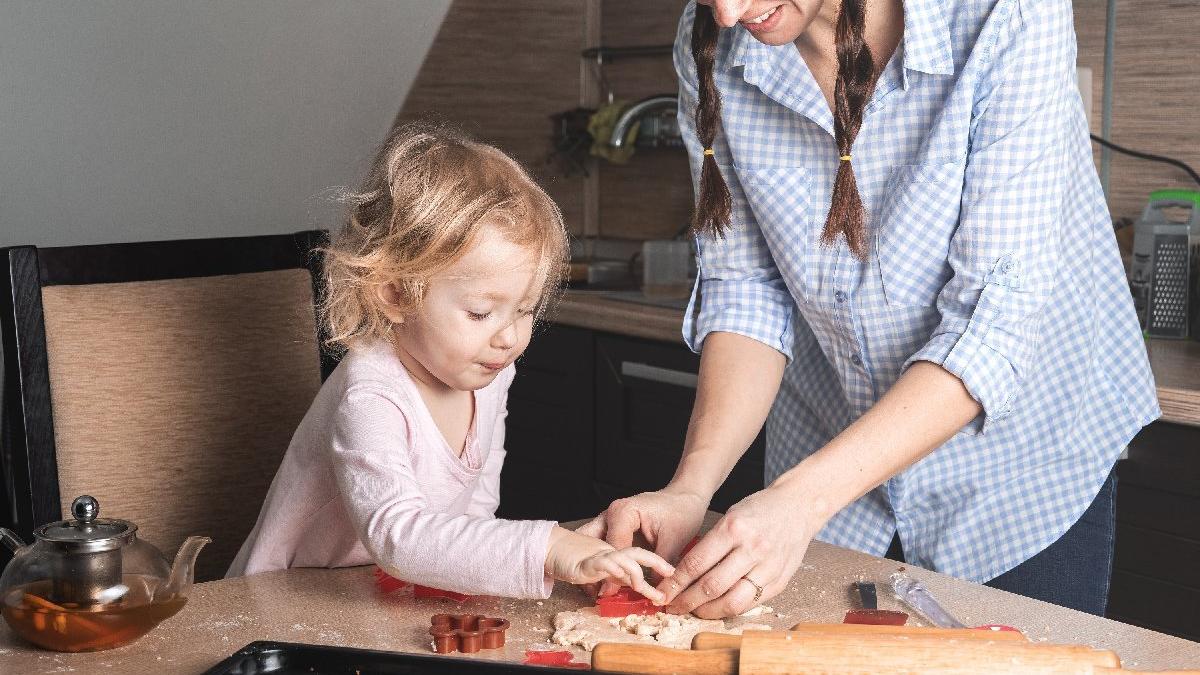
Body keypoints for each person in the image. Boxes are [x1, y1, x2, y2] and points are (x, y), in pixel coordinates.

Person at [580, 0, 1158, 618]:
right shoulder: (712, 41)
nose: (726, 13)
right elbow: (746, 290)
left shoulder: (1006, 12)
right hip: (828, 476)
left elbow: (989, 326)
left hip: (1017, 481)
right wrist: (691, 490)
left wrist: (797, 503)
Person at [227, 124, 674, 602]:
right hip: (287, 603)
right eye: (481, 313)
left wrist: (503, 572)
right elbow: (398, 536)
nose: (509, 338)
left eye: (524, 310)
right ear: (397, 294)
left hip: (381, 594)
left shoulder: (486, 369)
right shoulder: (370, 394)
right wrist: (551, 547)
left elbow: (476, 504)